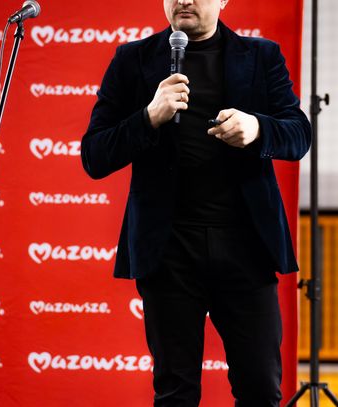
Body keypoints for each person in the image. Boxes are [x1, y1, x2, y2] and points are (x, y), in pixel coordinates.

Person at [81, 0, 311, 405]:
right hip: (169, 250)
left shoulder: (261, 56)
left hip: (245, 246)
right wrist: (148, 116)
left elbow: (298, 135)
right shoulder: (133, 60)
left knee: (260, 388)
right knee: (176, 392)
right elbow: (94, 155)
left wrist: (257, 128)